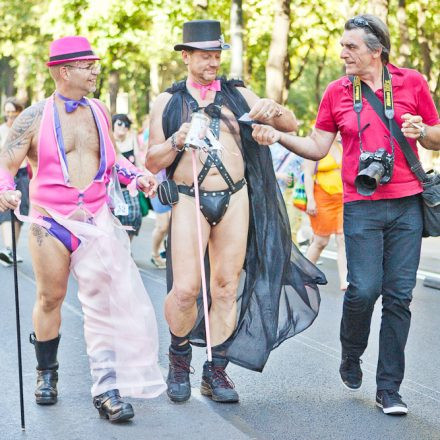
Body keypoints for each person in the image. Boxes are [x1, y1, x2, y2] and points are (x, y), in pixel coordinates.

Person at [251, 14, 440, 415]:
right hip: (361, 204)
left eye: (351, 47)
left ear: (377, 50)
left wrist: (420, 130)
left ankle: (389, 388)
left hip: (407, 203)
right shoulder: (337, 92)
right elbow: (319, 145)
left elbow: (436, 134)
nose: (342, 53)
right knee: (363, 289)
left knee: (399, 298)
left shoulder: (412, 83)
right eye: (342, 46)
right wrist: (278, 136)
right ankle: (351, 352)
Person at [147, 19, 325, 404]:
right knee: (185, 290)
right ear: (186, 56)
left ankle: (217, 370)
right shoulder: (167, 101)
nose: (213, 62)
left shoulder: (238, 93)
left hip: (235, 196)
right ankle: (179, 358)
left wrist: (274, 111)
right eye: (206, 55)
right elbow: (150, 159)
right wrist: (178, 140)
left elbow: (289, 124)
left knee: (227, 287)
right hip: (189, 197)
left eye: (217, 54)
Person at [0, 36, 165, 422]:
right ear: (63, 71)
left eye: (94, 64)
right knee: (50, 298)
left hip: (96, 218)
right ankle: (46, 373)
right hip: (48, 221)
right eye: (87, 65)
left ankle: (107, 388)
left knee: (102, 303)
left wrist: (135, 175)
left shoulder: (99, 111)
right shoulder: (34, 117)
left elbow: (111, 159)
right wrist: (6, 192)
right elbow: (6, 166)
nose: (95, 70)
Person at [303, 138, 347, 290]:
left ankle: (344, 280)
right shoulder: (315, 146)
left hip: (341, 198)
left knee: (342, 239)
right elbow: (308, 175)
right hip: (322, 198)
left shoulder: (342, 146)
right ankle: (305, 275)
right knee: (320, 242)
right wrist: (310, 200)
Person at [0, 98, 28, 265]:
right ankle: (9, 248)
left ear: (19, 112)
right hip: (5, 175)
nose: (10, 115)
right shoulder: (1, 130)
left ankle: (12, 251)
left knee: (20, 213)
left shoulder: (25, 130)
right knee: (6, 213)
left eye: (13, 112)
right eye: (7, 112)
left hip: (23, 174)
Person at [112, 113, 143, 240]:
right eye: (119, 123)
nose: (123, 127)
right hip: (113, 190)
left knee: (134, 216)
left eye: (126, 125)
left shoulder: (132, 139)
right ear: (113, 124)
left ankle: (128, 247)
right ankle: (118, 249)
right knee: (116, 220)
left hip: (130, 189)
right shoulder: (110, 142)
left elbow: (138, 159)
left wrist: (142, 175)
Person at [270, 142, 304, 245]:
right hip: (275, 191)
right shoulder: (271, 145)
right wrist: (281, 176)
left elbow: (304, 171)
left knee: (292, 228)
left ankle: (293, 258)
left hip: (295, 193)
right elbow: (264, 170)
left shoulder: (299, 145)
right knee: (275, 226)